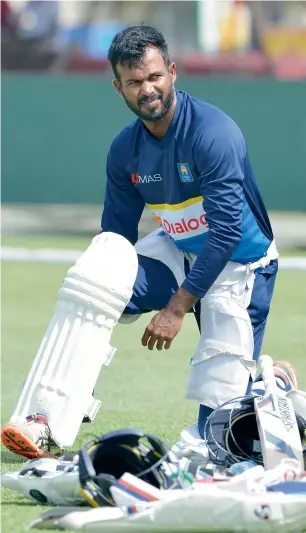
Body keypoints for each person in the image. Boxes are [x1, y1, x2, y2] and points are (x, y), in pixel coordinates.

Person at [1, 26, 282, 459]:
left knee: (218, 439)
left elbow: (225, 233)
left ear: (171, 72)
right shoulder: (124, 151)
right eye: (134, 82)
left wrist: (176, 308)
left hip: (240, 264)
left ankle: (267, 386)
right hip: (181, 251)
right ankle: (44, 420)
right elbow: (115, 240)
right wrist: (104, 294)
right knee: (96, 276)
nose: (146, 89)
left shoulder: (213, 133)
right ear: (119, 88)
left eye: (154, 77)